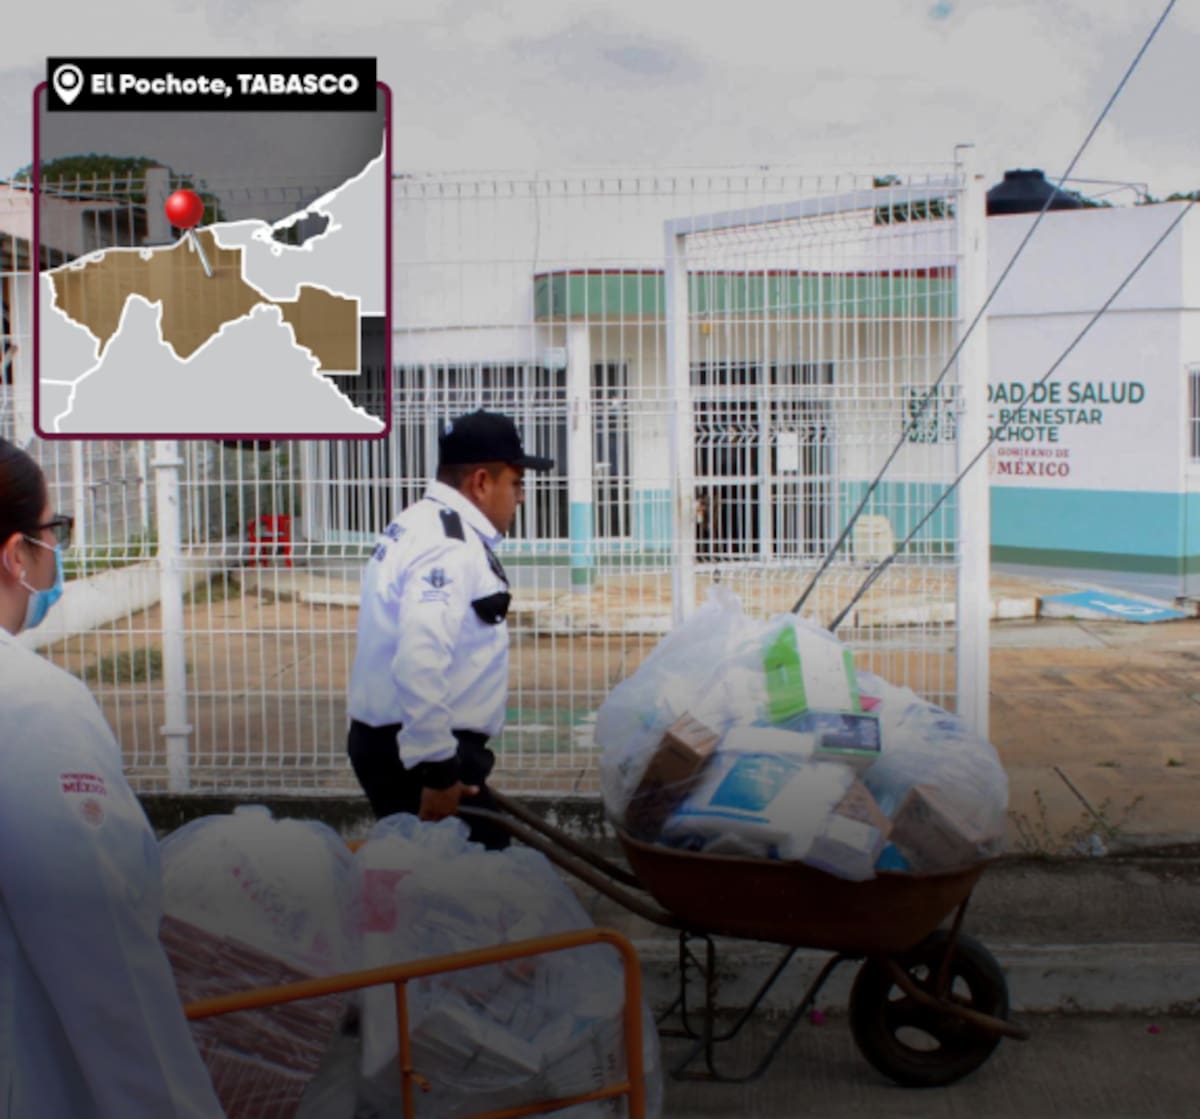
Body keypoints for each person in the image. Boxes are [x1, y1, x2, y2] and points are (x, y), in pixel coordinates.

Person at [0, 438, 224, 1118]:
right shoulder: (33, 710)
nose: (56, 551)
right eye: (52, 532)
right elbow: (109, 975)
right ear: (16, 555)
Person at [347, 410, 554, 849]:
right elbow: (420, 658)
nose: (520, 497)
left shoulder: (423, 522)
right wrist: (439, 771)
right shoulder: (446, 546)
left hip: (406, 743)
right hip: (419, 754)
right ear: (481, 482)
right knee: (478, 885)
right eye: (516, 483)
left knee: (446, 885)